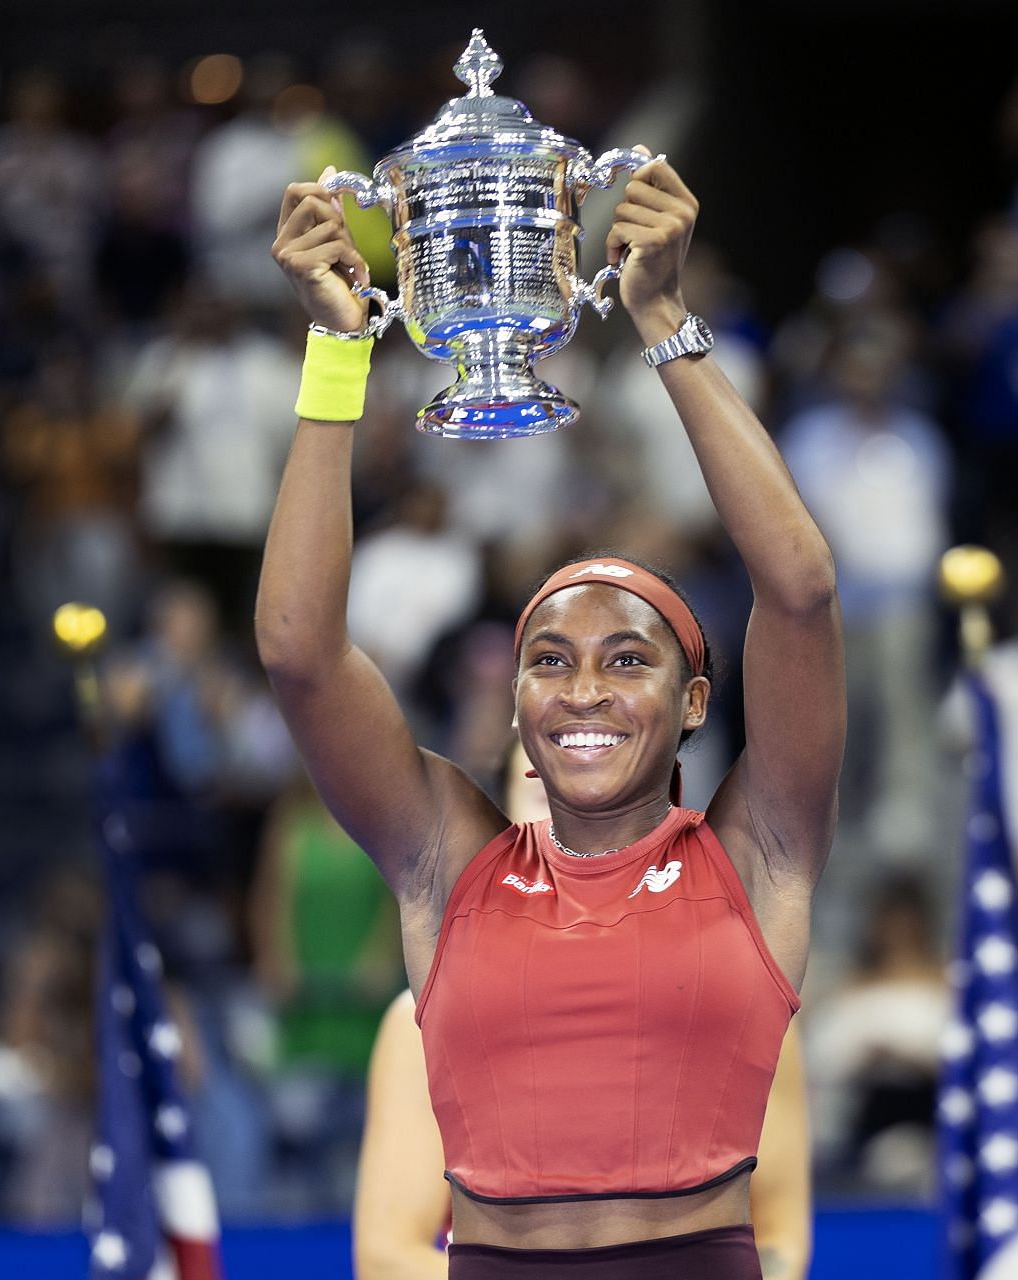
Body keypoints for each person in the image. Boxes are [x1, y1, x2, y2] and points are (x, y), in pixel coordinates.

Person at [258, 154, 843, 1278]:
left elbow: (802, 587)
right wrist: (337, 350)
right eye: (549, 660)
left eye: (629, 659)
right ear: (516, 702)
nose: (583, 689)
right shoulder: (448, 860)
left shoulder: (762, 850)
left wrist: (664, 321)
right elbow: (298, 651)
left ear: (694, 703)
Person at [353, 745, 813, 1280]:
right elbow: (388, 1257)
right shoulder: (416, 1027)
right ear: (492, 822)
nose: (575, 821)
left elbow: (779, 1241)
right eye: (542, 794)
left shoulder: (741, 1001)